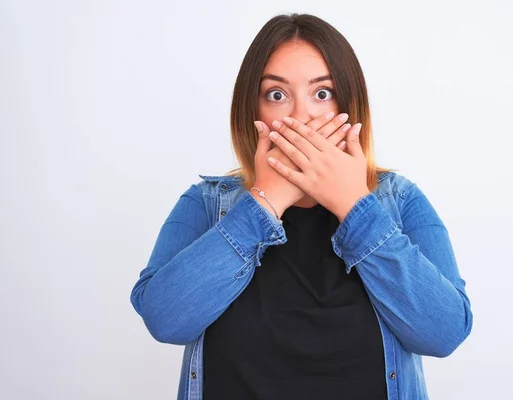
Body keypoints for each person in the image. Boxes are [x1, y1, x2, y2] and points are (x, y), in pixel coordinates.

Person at [130, 13, 473, 400]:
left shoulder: (400, 200)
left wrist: (355, 205)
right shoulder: (207, 204)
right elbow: (164, 320)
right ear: (253, 111)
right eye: (277, 95)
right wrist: (264, 203)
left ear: (351, 105)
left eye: (322, 93)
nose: (300, 117)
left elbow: (444, 333)